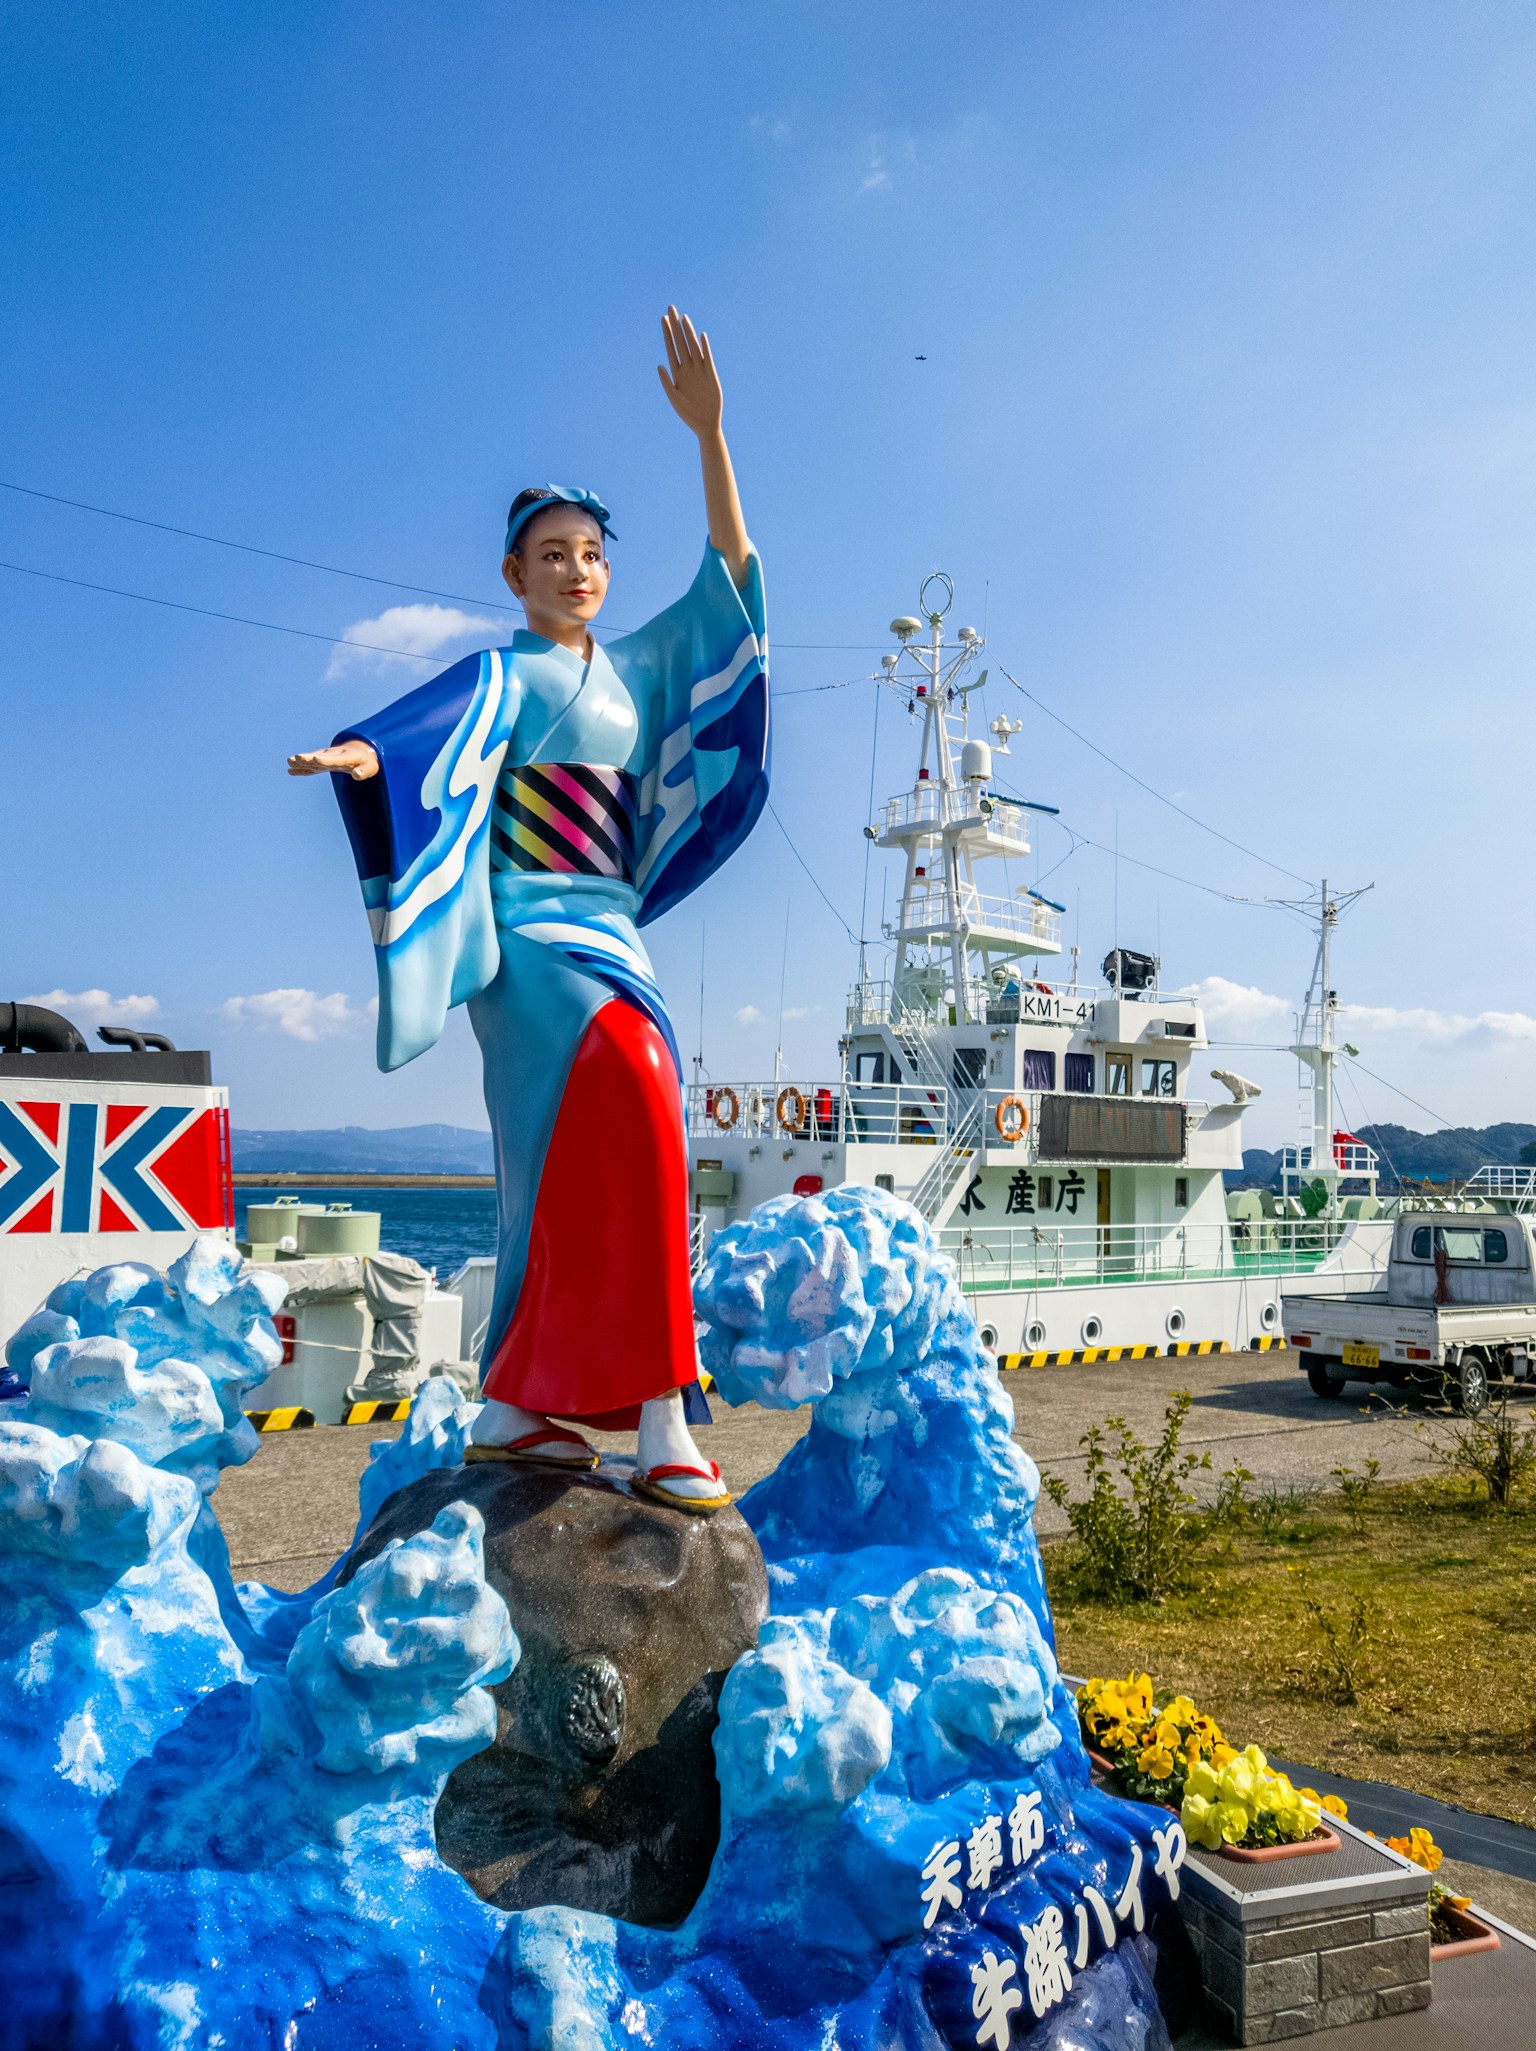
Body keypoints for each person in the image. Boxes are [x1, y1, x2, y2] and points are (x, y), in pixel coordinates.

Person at [288, 308, 767, 1512]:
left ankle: (524, 1405)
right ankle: (661, 1409)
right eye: (551, 553)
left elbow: (734, 589)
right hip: (529, 939)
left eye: (591, 551)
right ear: (514, 574)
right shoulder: (504, 672)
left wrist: (711, 437)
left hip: (614, 924)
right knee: (635, 1104)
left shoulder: (641, 668)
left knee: (568, 1164)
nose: (577, 569)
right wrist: (362, 764)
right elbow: (413, 738)